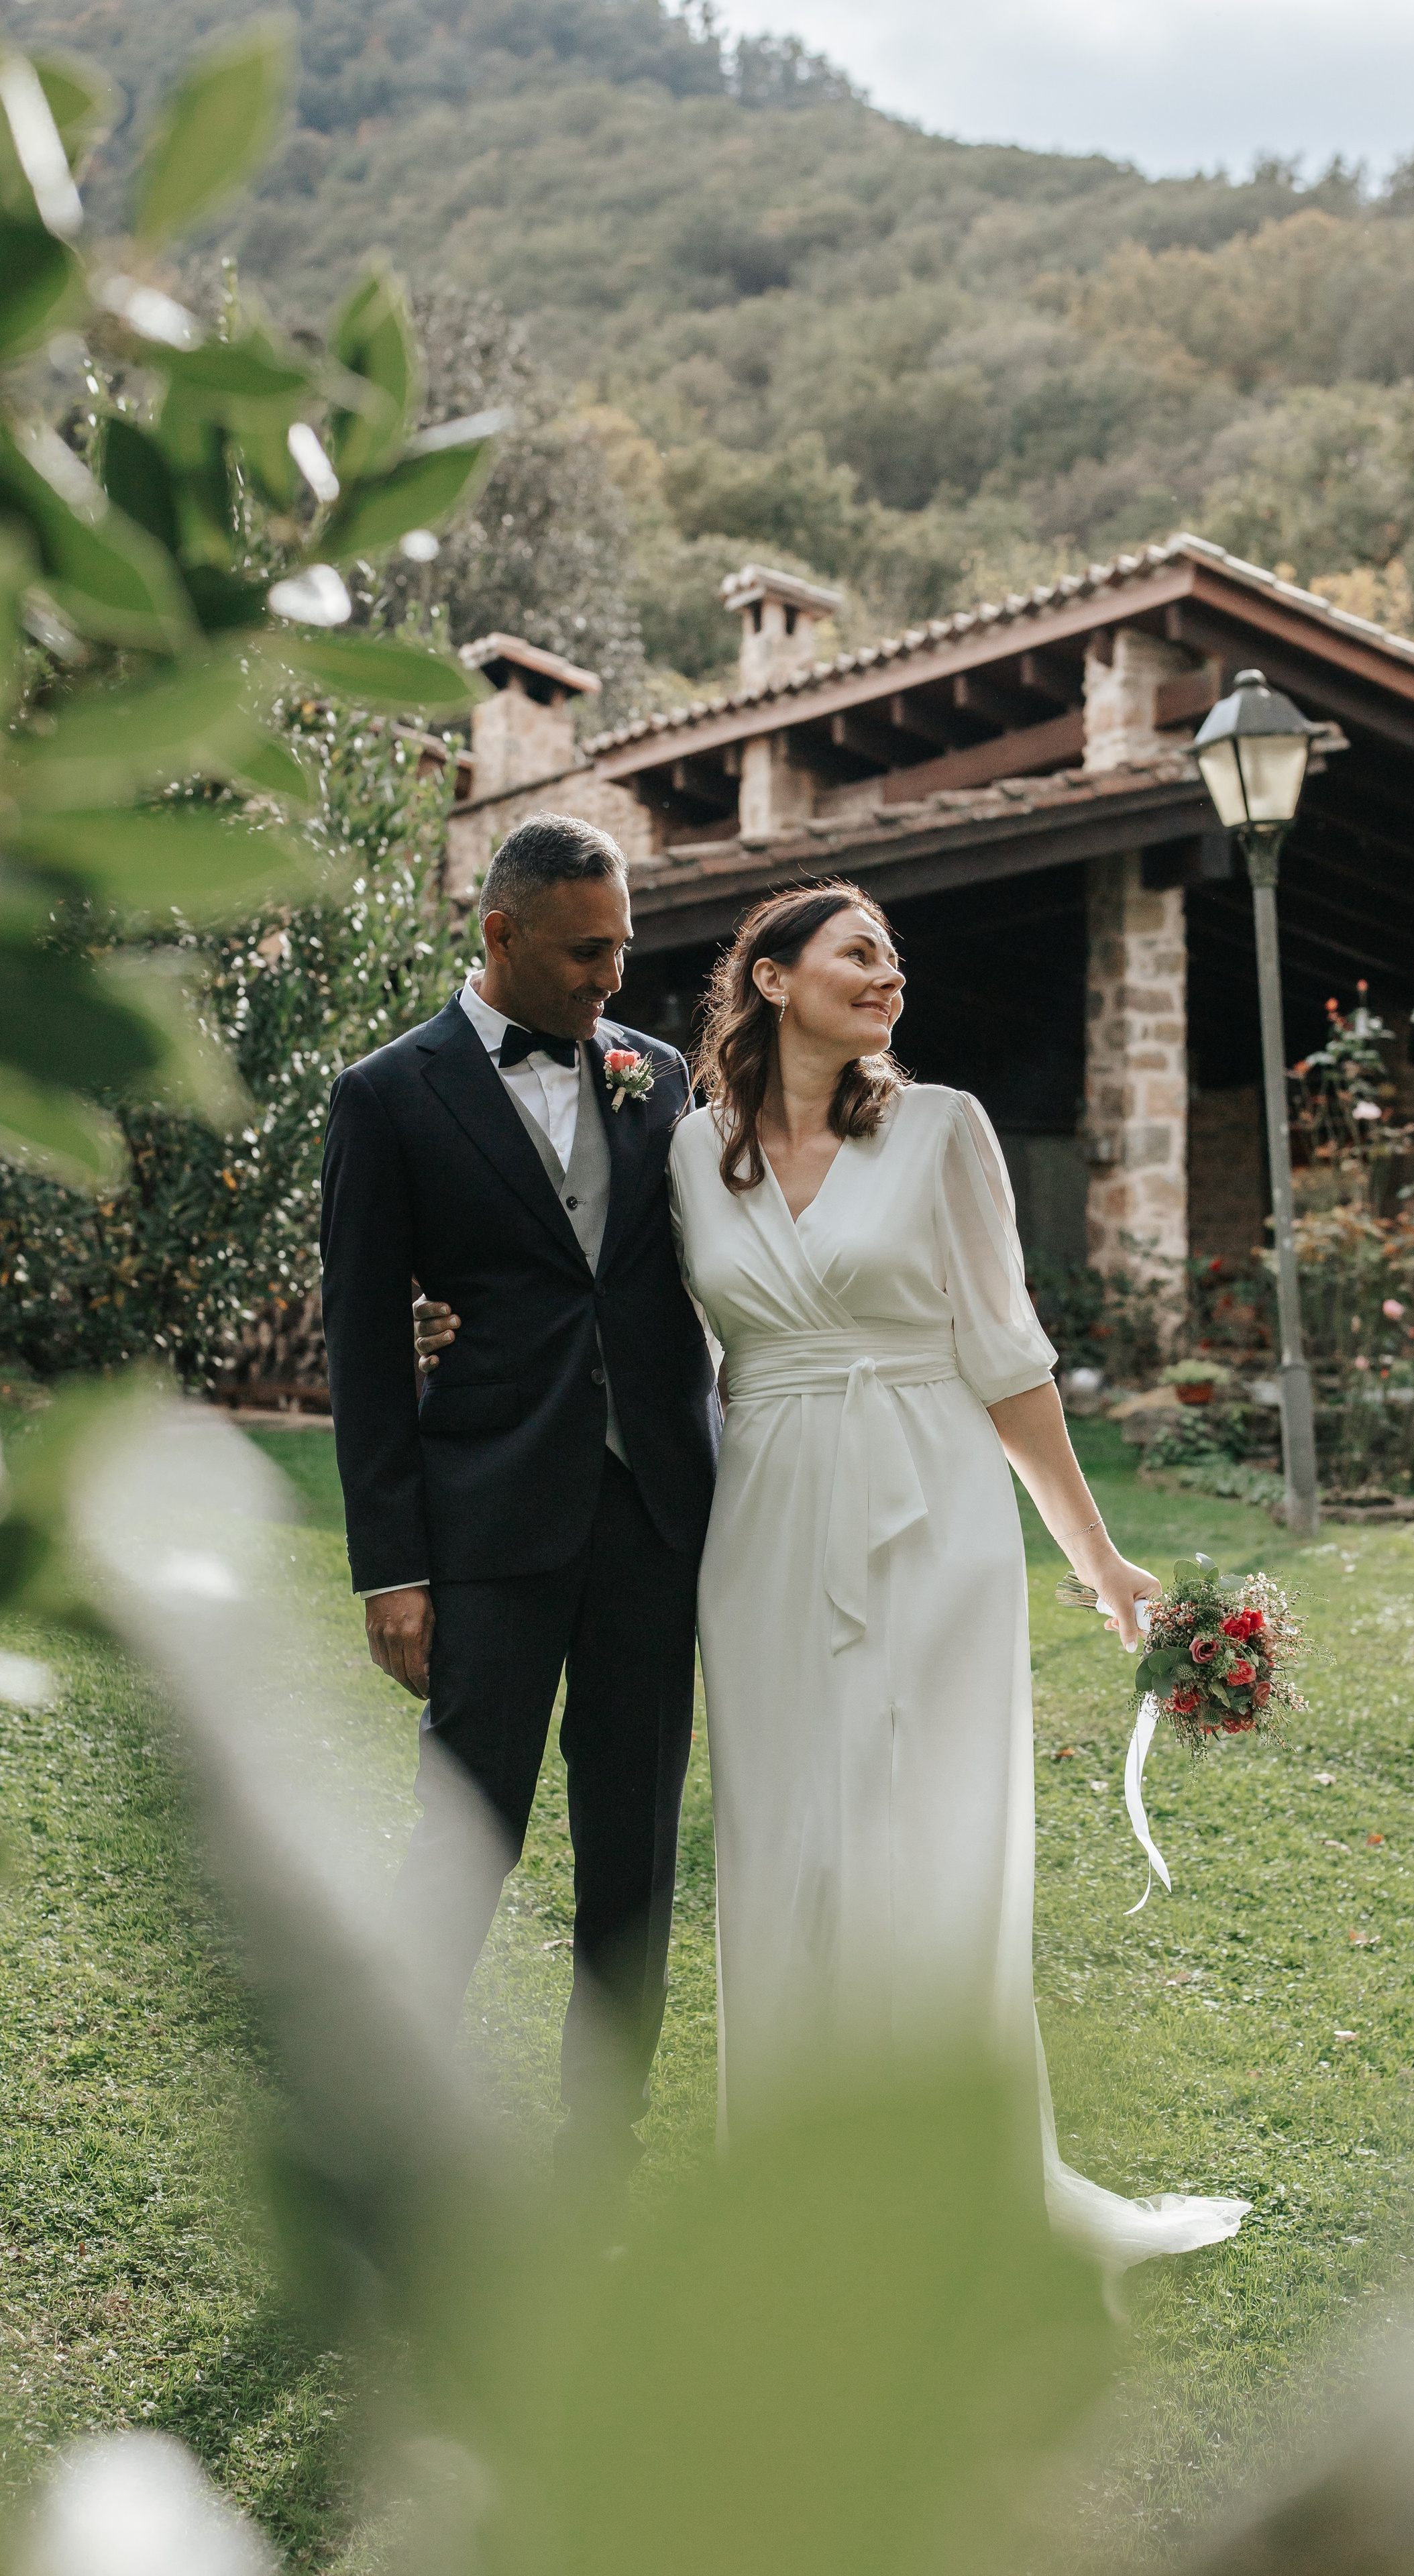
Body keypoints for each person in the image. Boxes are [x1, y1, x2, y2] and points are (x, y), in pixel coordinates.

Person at [417, 877, 1248, 2274]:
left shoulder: (944, 1129)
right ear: (775, 977)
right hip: (765, 1519)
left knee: (924, 1842)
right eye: (859, 954)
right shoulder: (691, 1152)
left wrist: (1097, 1559)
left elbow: (1009, 1364)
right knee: (786, 1842)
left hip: (931, 1504)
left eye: (894, 959)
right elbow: (638, 1334)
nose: (888, 977)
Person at [320, 814, 720, 2176]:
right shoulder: (385, 1095)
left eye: (623, 947)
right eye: (583, 952)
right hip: (487, 1517)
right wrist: (390, 1565)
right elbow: (364, 1343)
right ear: (500, 935)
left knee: (634, 1852)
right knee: (463, 1833)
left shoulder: (654, 1073)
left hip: (654, 1517)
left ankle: (596, 2149)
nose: (611, 977)